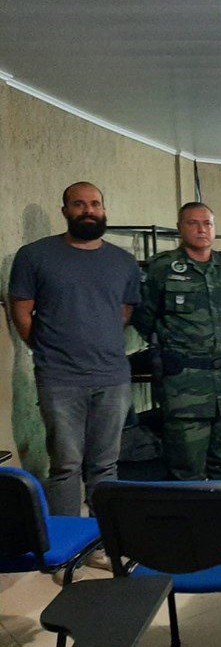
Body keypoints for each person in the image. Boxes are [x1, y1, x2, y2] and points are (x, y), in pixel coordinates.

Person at [8, 182, 139, 536]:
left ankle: (104, 540)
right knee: (66, 465)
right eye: (79, 204)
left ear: (104, 209)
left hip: (113, 376)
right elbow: (22, 313)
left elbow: (124, 313)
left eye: (95, 203)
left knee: (106, 466)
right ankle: (68, 546)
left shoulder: (123, 261)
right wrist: (51, 350)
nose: (88, 210)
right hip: (60, 378)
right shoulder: (34, 256)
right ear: (65, 210)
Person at [133, 202, 221, 483]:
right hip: (184, 385)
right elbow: (144, 316)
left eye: (207, 223)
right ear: (180, 228)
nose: (201, 229)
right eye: (193, 223)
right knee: (186, 469)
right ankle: (191, 527)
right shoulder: (162, 268)